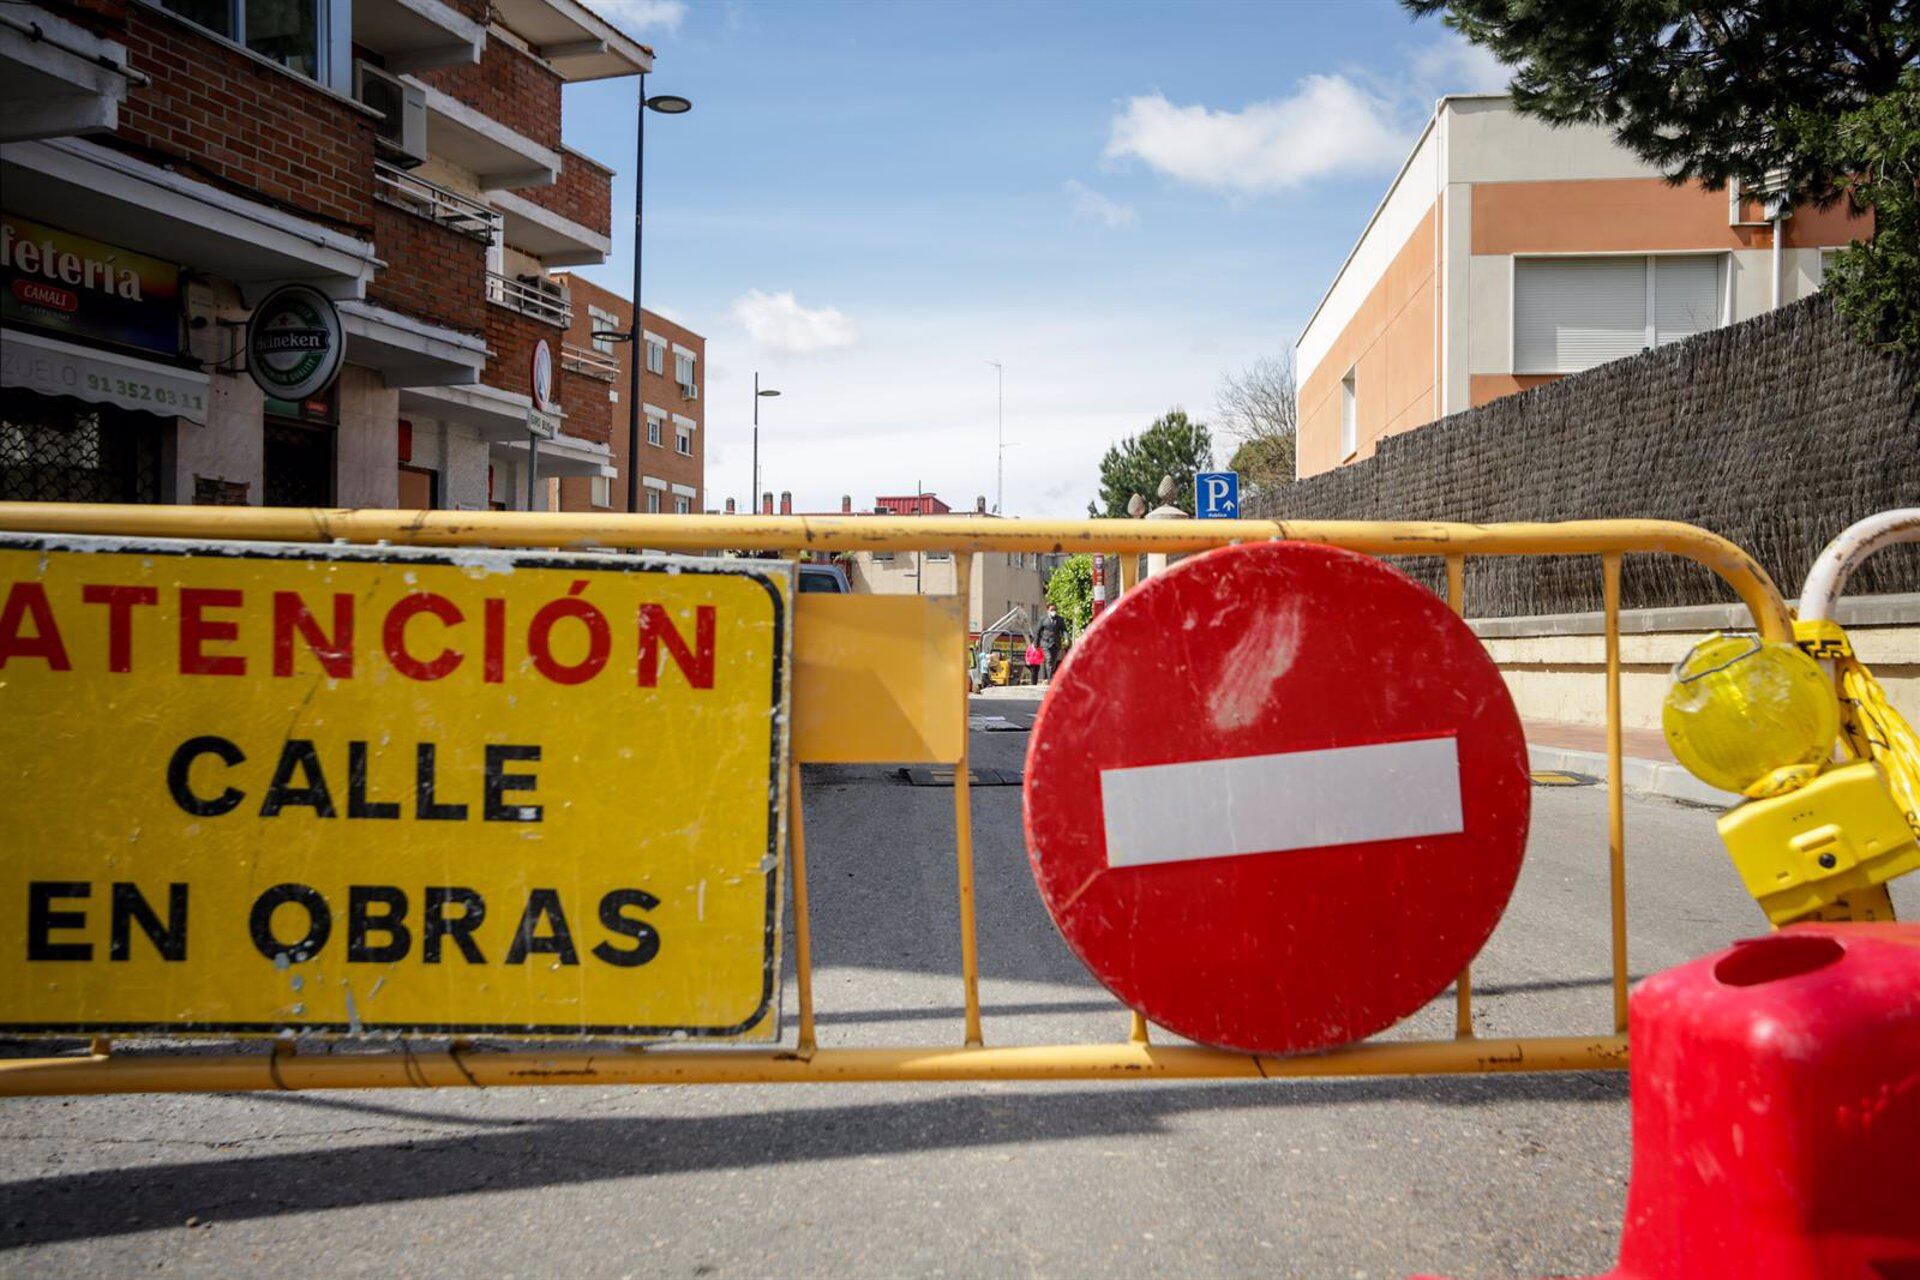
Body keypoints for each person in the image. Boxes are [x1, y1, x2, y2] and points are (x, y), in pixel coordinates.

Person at [1037, 603, 1068, 683]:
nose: (1053, 611)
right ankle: (1050, 679)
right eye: (1051, 610)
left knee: (1053, 662)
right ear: (1048, 610)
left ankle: (1051, 674)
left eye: (1055, 610)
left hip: (1056, 643)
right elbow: (1038, 631)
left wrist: (1066, 638)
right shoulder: (1043, 619)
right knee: (1049, 659)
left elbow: (1064, 630)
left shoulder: (1060, 619)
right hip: (1046, 643)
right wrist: (1035, 644)